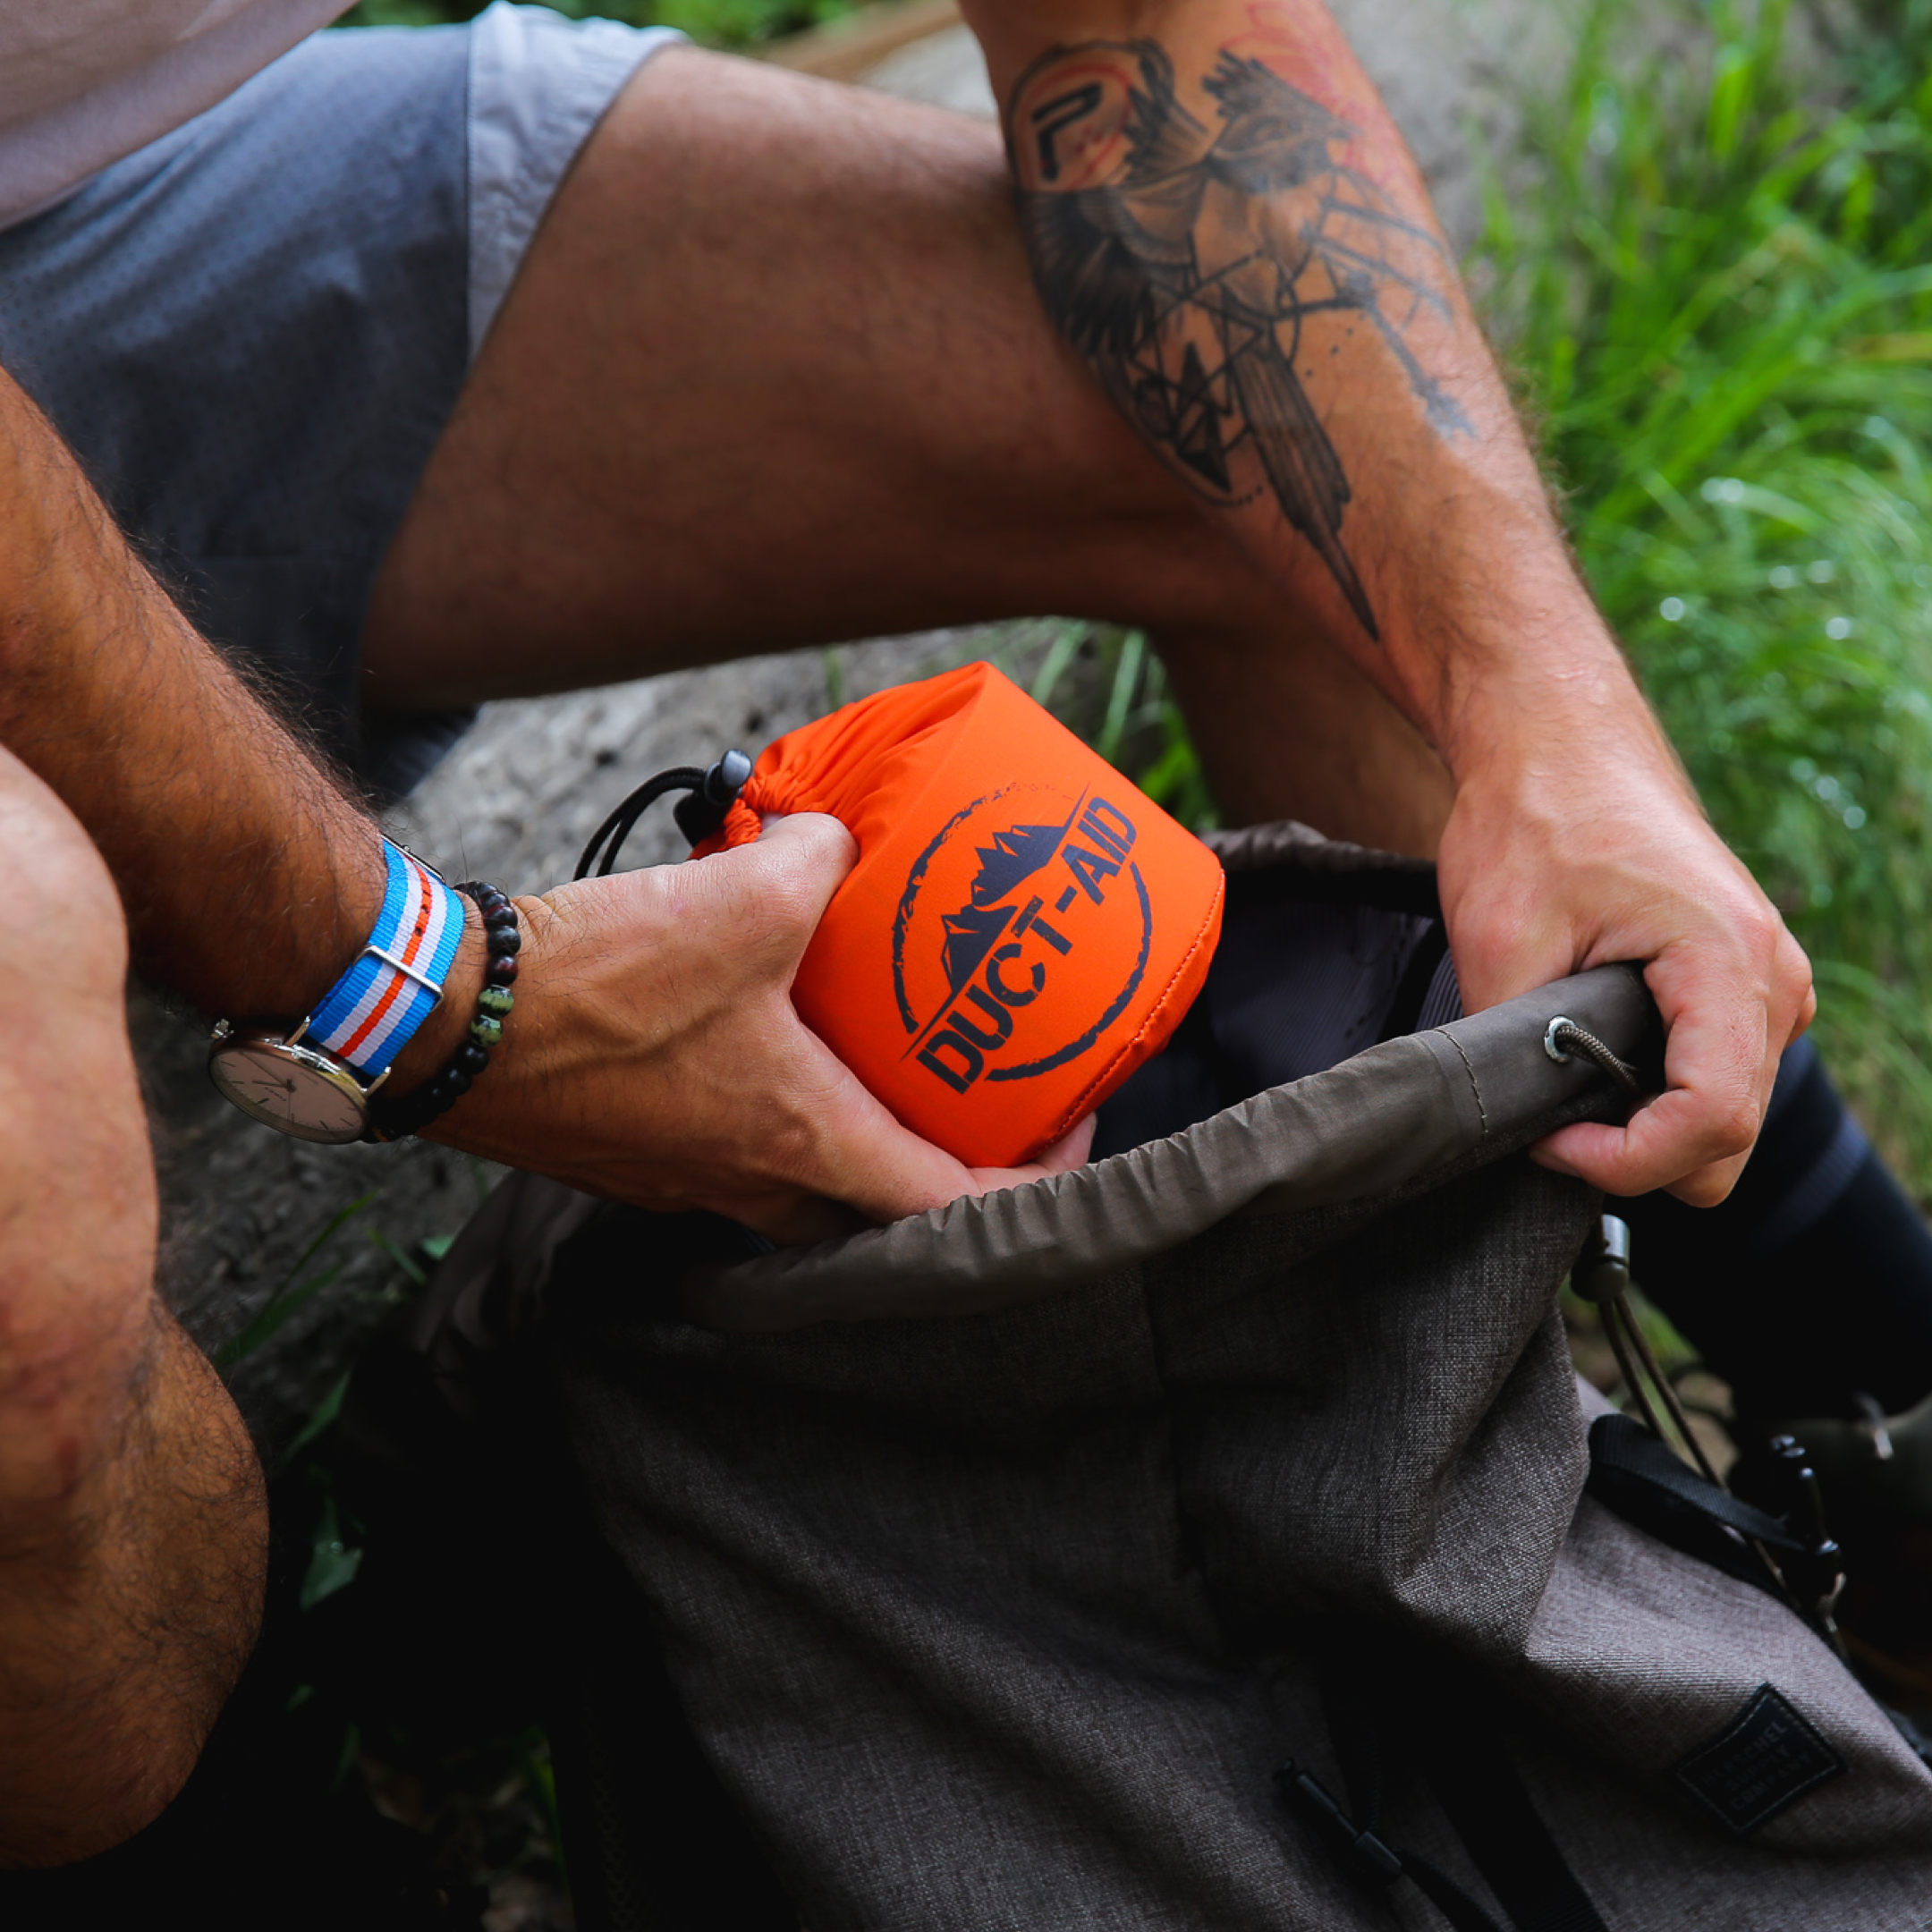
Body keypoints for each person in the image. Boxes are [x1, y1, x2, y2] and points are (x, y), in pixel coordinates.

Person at [0, 0, 1819, 1863]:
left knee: (1273, 437)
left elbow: (1155, 50)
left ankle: (1825, 1399)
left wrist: (1551, 717)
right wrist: (424, 990)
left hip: (106, 213)